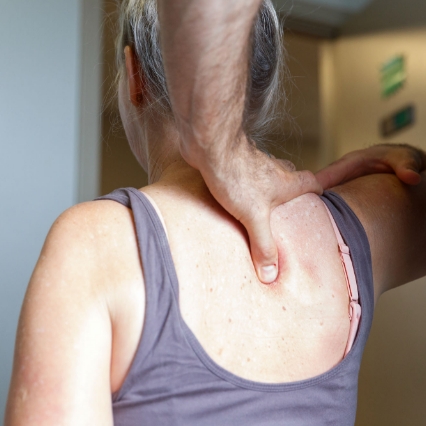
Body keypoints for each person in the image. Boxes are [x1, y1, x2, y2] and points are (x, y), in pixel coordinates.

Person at [4, 0, 426, 425]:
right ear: (261, 86)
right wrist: (408, 160)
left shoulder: (93, 245)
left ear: (134, 77)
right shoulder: (357, 225)